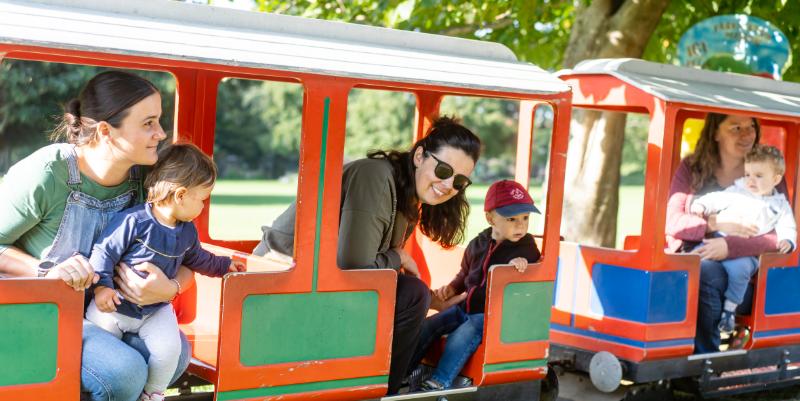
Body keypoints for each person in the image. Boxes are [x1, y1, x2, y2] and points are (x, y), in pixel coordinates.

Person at [0, 71, 194, 401]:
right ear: (105, 131)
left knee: (175, 354)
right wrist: (47, 271)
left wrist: (171, 287)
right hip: (39, 319)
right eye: (148, 123)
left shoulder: (149, 179)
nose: (161, 134)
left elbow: (188, 256)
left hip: (113, 313)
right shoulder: (46, 173)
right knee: (122, 372)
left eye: (159, 121)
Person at [254, 116, 481, 394]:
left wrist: (433, 301)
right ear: (420, 155)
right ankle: (382, 391)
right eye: (444, 170)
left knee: (415, 295)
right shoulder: (375, 176)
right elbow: (356, 267)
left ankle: (379, 384)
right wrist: (399, 257)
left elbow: (372, 272)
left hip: (319, 286)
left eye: (460, 181)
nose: (448, 185)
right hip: (282, 282)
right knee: (412, 294)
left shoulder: (407, 194)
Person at [86, 143, 246, 401]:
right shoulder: (133, 221)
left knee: (170, 349)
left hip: (154, 309)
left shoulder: (187, 231)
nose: (203, 207)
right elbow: (104, 252)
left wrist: (224, 265)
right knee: (108, 352)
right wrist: (102, 287)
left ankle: (153, 394)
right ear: (181, 195)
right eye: (202, 199)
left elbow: (198, 258)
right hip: (113, 307)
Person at [666, 113, 785, 354]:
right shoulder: (691, 168)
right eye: (736, 128)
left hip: (745, 278)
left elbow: (779, 237)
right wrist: (715, 223)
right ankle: (669, 351)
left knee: (705, 273)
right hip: (691, 256)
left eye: (751, 127)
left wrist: (730, 247)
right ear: (715, 133)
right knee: (686, 269)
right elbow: (673, 222)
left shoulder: (767, 172)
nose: (747, 134)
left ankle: (705, 359)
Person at [409, 180, 541, 391]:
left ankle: (440, 381)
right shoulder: (477, 244)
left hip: (492, 316)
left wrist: (522, 265)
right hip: (465, 308)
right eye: (512, 219)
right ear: (490, 218)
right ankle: (405, 371)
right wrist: (452, 288)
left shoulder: (526, 249)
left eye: (526, 218)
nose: (521, 225)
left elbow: (530, 277)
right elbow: (465, 274)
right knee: (429, 325)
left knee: (462, 335)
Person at [690, 145, 795, 334]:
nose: (751, 180)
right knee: (692, 258)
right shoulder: (738, 191)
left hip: (745, 254)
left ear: (776, 179)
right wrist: (702, 205)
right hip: (718, 241)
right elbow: (717, 198)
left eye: (759, 176)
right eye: (748, 174)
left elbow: (788, 226)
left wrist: (788, 240)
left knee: (741, 271)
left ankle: (729, 310)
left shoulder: (780, 205)